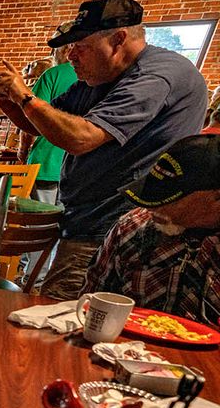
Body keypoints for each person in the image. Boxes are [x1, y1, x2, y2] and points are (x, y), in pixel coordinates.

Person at [0, 0, 208, 299]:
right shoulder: (98, 80)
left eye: (81, 47)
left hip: (116, 228)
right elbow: (42, 125)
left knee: (55, 317)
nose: (72, 56)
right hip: (86, 217)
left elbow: (81, 138)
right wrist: (9, 102)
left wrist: (24, 96)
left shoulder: (155, 75)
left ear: (118, 40)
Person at [81, 134, 220, 322]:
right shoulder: (132, 228)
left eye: (169, 199)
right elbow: (89, 302)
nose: (151, 208)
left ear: (215, 197)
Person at [21, 31, 79, 205]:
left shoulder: (53, 75)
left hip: (46, 161)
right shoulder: (103, 78)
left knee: (39, 224)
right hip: (80, 167)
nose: (53, 55)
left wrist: (23, 150)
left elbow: (32, 118)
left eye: (56, 50)